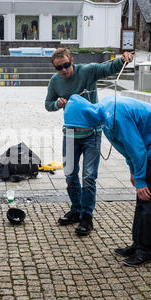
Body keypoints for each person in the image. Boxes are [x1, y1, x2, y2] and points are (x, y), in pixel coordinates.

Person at [64, 94, 151, 266]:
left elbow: (137, 149)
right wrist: (134, 171)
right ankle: (138, 244)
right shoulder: (103, 116)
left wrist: (140, 180)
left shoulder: (114, 117)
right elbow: (126, 148)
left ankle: (147, 251)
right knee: (142, 200)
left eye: (77, 128)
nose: (78, 132)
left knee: (150, 199)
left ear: (84, 119)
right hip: (148, 145)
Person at [45, 47, 134, 236]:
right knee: (70, 175)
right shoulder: (55, 81)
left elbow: (108, 68)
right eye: (59, 68)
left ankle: (87, 217)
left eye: (66, 65)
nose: (63, 70)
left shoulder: (87, 71)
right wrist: (57, 104)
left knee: (88, 176)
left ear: (72, 61)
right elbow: (48, 105)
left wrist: (123, 59)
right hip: (70, 134)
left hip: (92, 133)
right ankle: (76, 210)